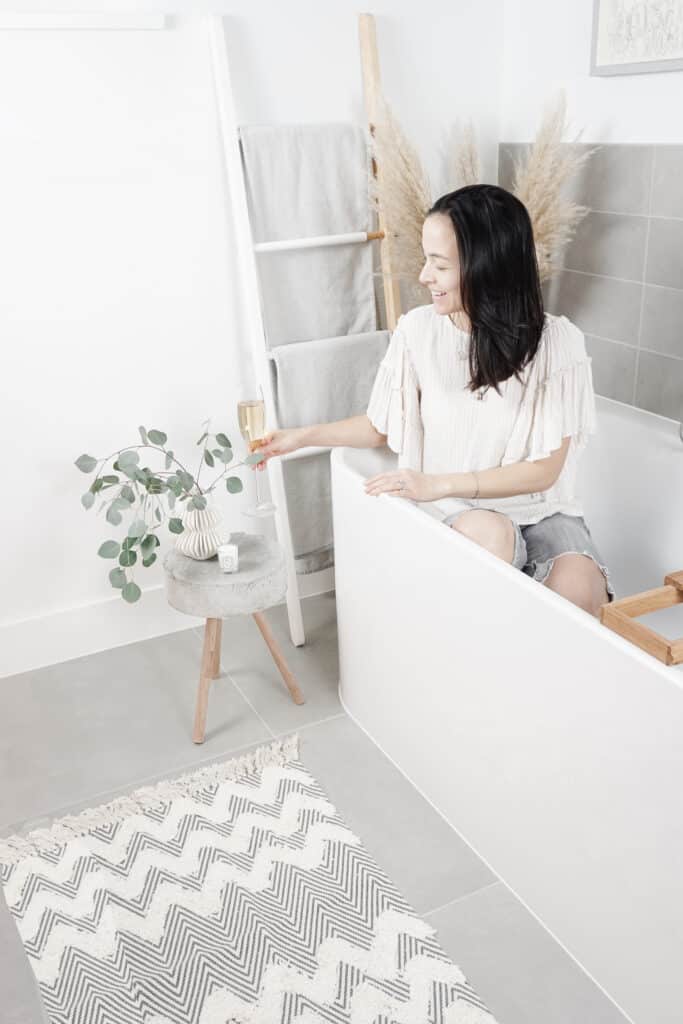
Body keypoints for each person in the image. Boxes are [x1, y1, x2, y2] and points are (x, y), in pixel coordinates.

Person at [252, 184, 614, 617]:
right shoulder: (418, 331)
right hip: (458, 508)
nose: (424, 276)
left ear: (488, 269)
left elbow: (544, 472)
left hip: (542, 511)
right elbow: (381, 425)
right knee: (488, 536)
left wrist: (440, 479)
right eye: (427, 259)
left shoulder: (559, 343)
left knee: (581, 594)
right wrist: (302, 436)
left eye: (439, 265)